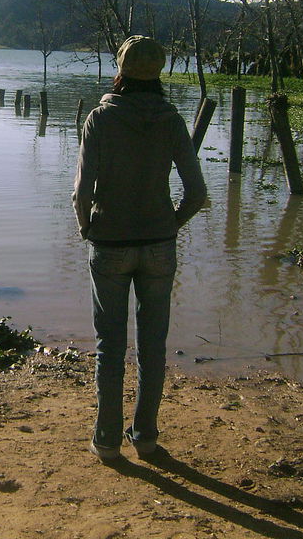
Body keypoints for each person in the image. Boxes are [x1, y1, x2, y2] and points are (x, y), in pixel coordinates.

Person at [72, 35, 207, 462]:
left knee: (109, 345)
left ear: (121, 69)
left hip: (110, 242)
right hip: (158, 246)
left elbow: (81, 192)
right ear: (159, 72)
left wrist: (86, 229)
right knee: (153, 343)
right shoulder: (171, 119)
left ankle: (107, 441)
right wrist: (170, 225)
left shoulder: (100, 118)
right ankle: (145, 437)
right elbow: (197, 193)